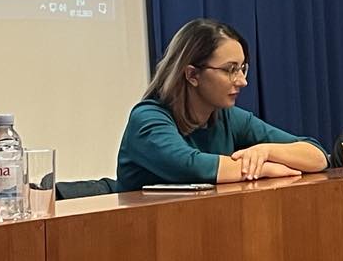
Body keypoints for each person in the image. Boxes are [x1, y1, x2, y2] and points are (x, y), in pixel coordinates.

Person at [116, 19, 328, 190]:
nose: (242, 81)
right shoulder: (147, 118)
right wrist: (264, 169)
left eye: (242, 69)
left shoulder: (228, 116)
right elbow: (190, 166)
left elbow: (317, 156)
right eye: (230, 70)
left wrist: (266, 151)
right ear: (192, 75)